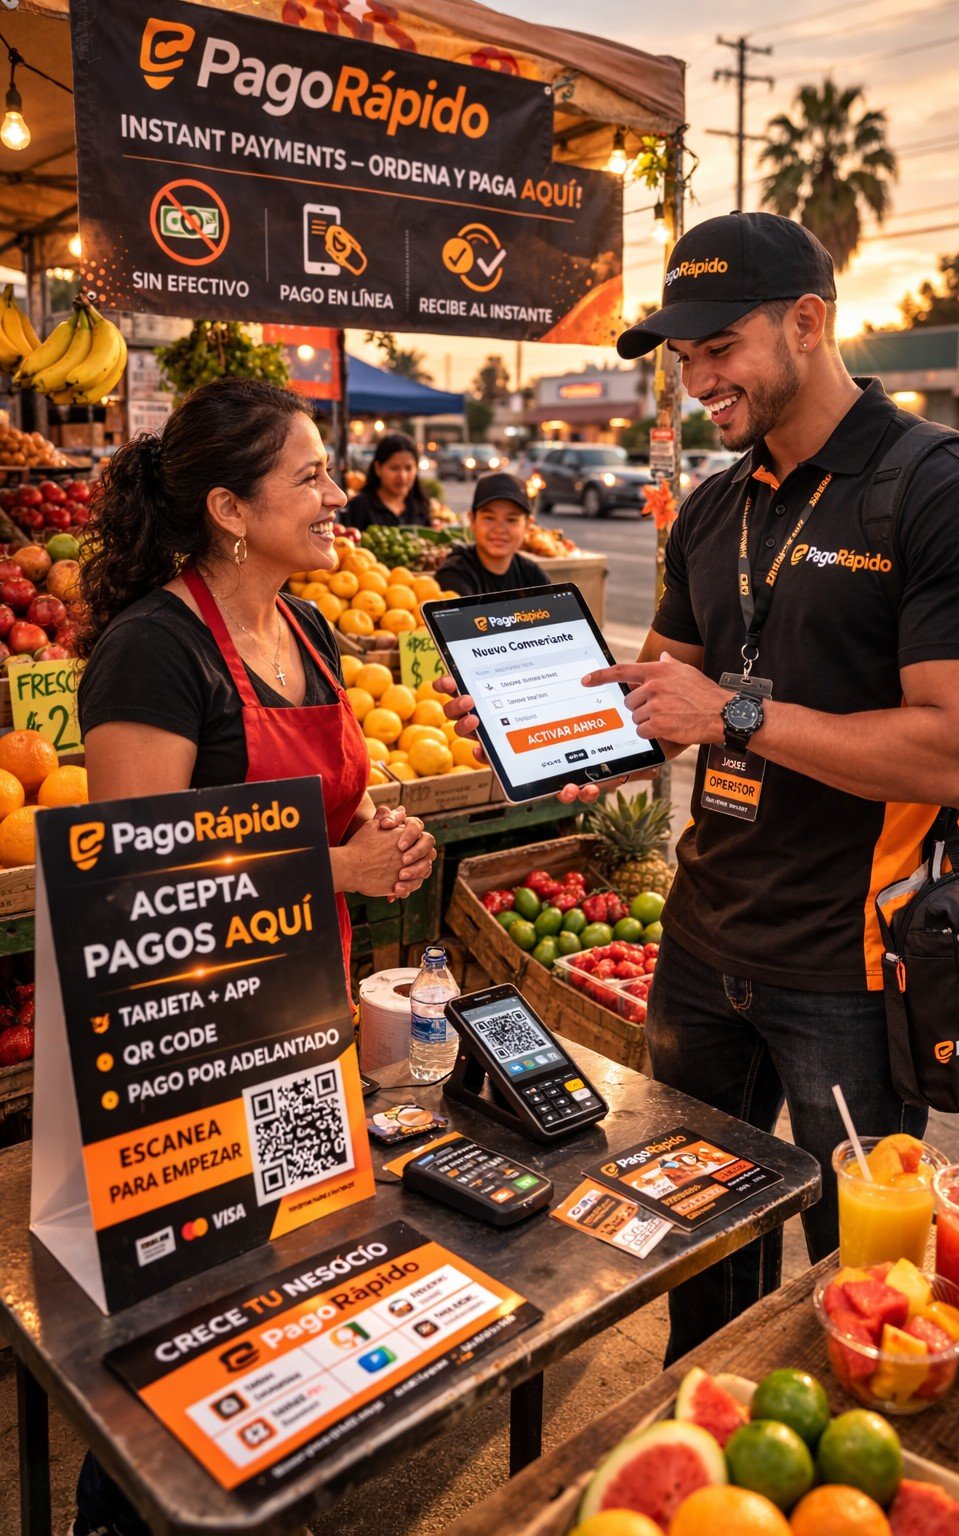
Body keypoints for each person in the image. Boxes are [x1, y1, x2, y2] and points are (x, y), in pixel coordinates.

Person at [443, 211, 959, 1363]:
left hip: (852, 970)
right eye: (683, 356)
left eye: (720, 347)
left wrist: (739, 718)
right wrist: (537, 727)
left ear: (807, 323)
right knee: (690, 1249)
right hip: (702, 951)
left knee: (857, 1289)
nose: (698, 378)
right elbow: (665, 701)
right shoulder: (713, 509)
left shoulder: (944, 495)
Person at [71, 377, 436, 1536]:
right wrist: (333, 872)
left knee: (282, 1301)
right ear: (231, 509)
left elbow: (329, 813)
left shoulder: (313, 631)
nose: (339, 497)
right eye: (312, 477)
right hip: (183, 1047)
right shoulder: (150, 653)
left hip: (300, 1021)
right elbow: (130, 879)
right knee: (175, 1320)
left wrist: (381, 839)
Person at [438, 471, 548, 595]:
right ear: (472, 520)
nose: (499, 529)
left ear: (528, 525)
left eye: (511, 520)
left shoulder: (533, 576)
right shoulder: (454, 576)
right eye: (489, 518)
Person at [344, 431, 432, 530]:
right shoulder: (359, 507)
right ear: (378, 468)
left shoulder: (421, 507)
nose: (402, 476)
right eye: (394, 468)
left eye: (408, 468)